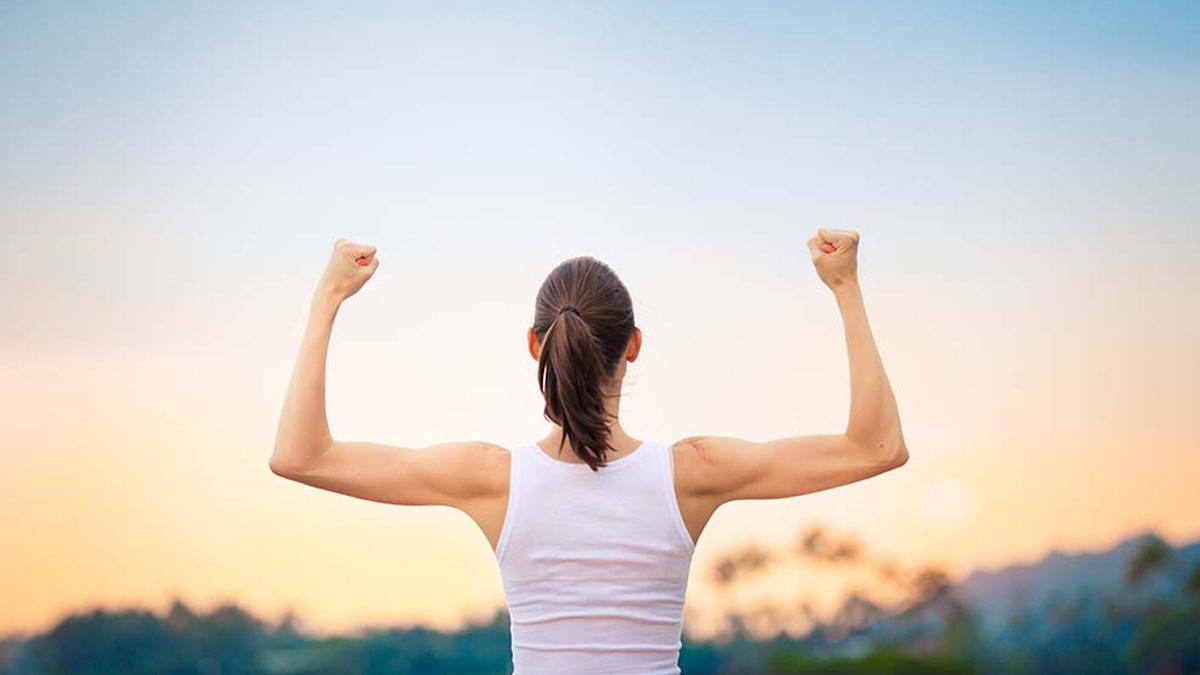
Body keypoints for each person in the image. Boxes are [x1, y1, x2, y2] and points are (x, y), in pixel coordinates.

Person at [269, 229, 908, 675]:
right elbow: (876, 447)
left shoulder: (491, 477)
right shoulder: (693, 473)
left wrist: (327, 297)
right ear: (632, 345)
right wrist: (845, 285)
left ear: (533, 345)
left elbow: (300, 456)